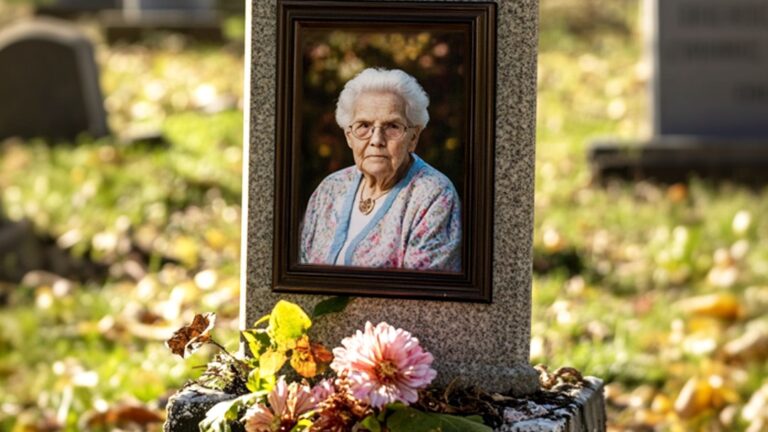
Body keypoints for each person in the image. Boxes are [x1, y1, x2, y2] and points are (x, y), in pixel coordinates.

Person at [299, 68, 461, 272]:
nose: (376, 140)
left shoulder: (433, 195)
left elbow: (422, 295)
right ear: (349, 136)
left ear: (413, 137)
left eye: (392, 126)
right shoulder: (330, 189)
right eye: (364, 126)